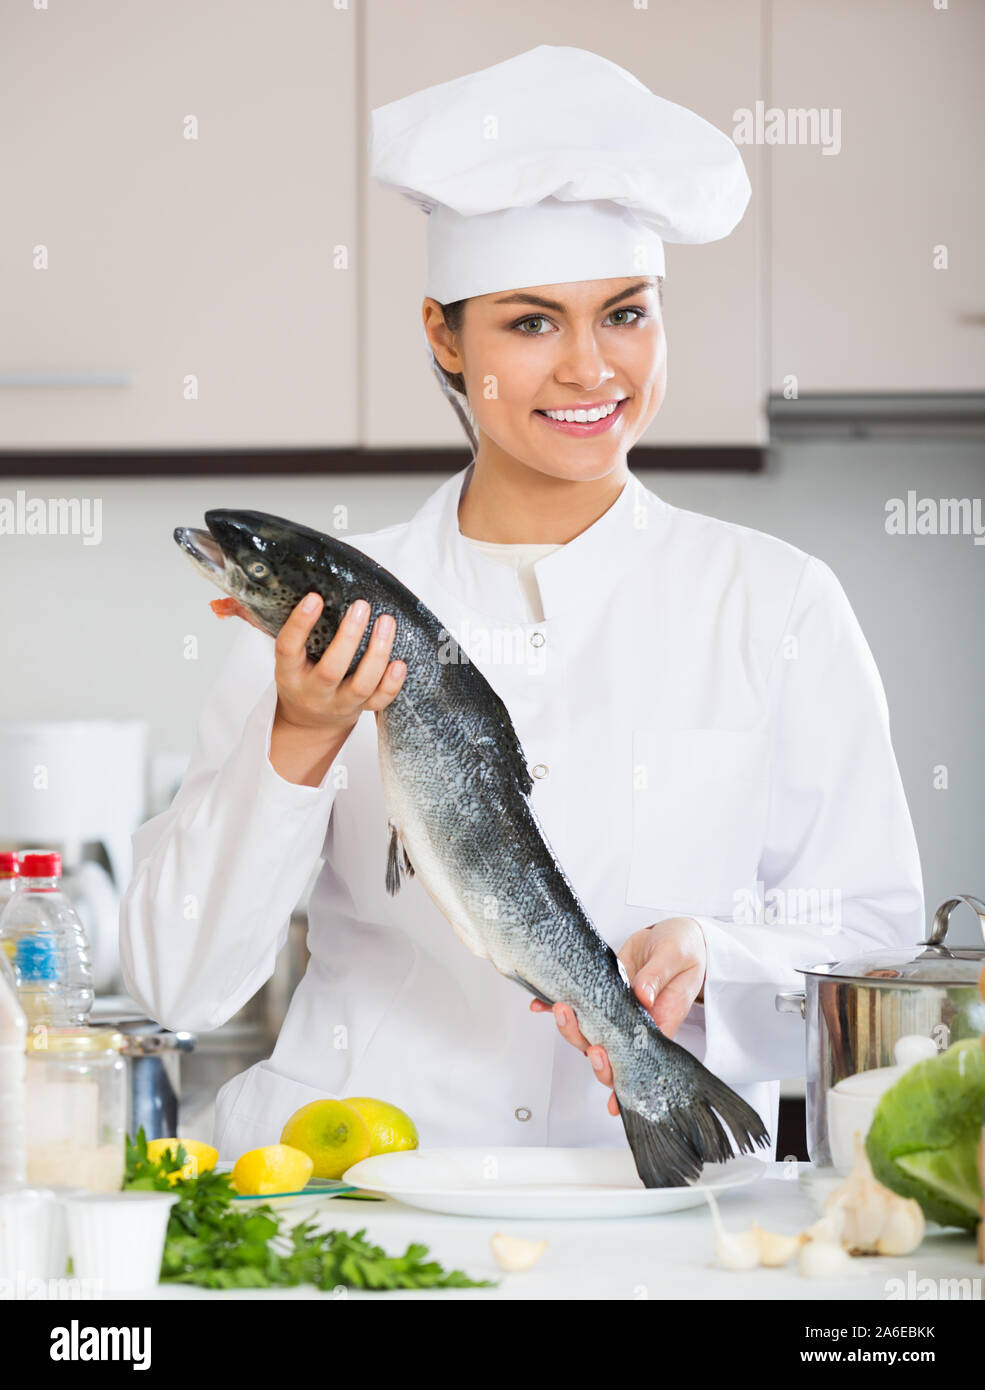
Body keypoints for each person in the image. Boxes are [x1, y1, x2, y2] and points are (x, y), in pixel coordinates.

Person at [120, 46, 924, 1163]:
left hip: (656, 1210)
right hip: (368, 1187)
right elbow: (177, 985)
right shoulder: (322, 619)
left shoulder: (777, 602)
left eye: (625, 314)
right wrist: (299, 735)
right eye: (531, 322)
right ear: (444, 336)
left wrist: (717, 955)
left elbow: (873, 947)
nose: (590, 368)